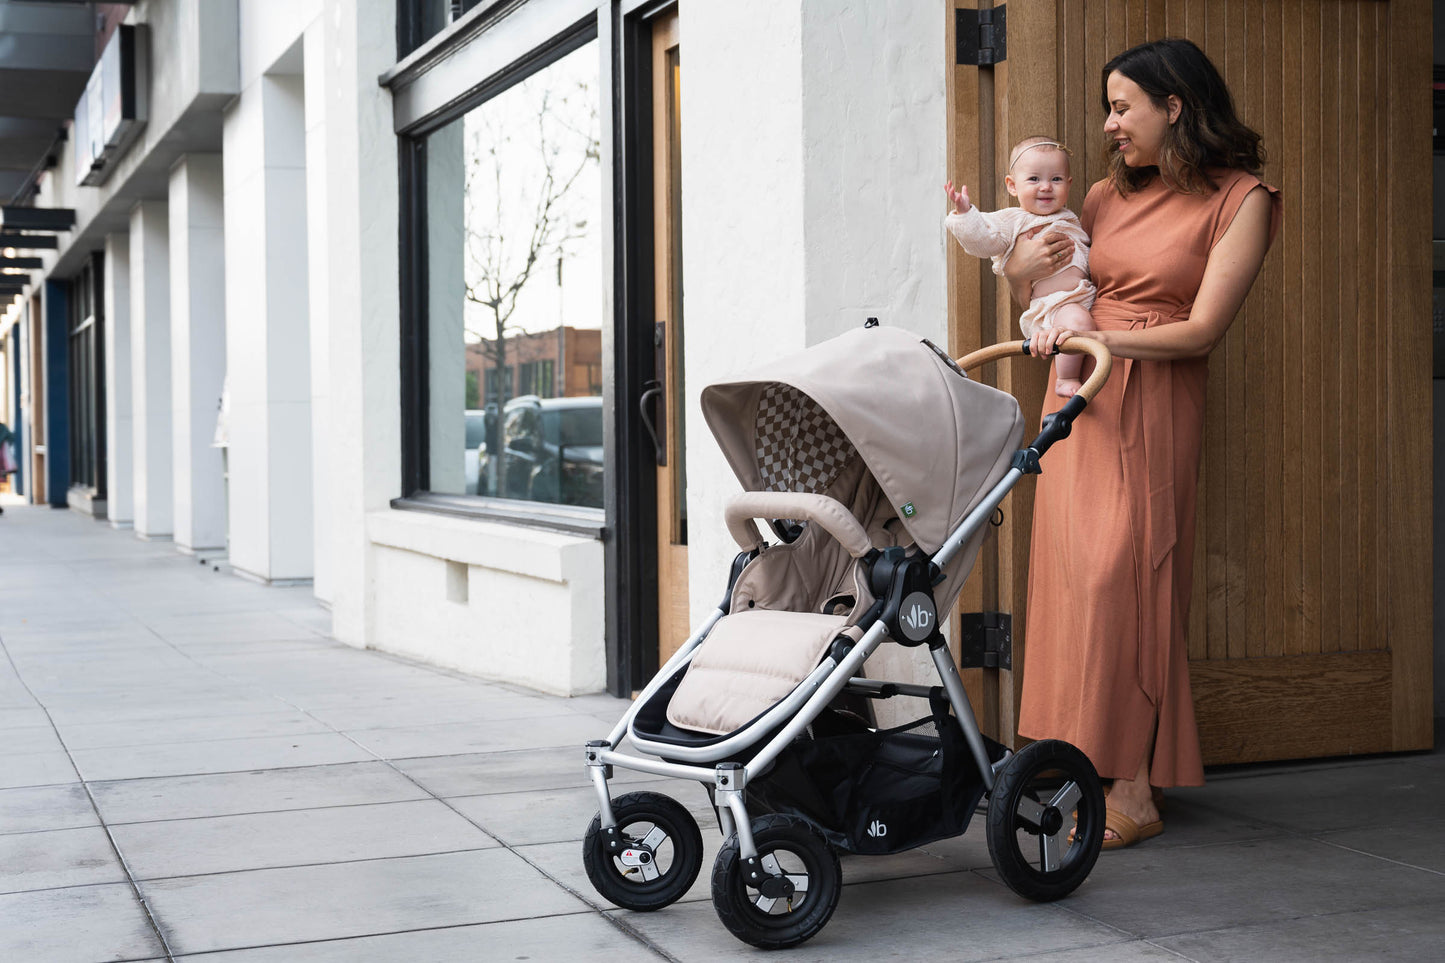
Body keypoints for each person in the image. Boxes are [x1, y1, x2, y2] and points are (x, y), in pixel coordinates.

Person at [1006, 38, 1282, 849]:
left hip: (1151, 391)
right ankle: (1075, 759)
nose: (1107, 124)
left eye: (1121, 107)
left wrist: (1102, 344)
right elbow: (1045, 277)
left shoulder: (1242, 198)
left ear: (1175, 106)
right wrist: (1021, 268)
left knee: (1133, 576)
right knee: (1075, 578)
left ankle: (1134, 782)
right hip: (1077, 394)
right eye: (1108, 108)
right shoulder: (1099, 194)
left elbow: (1201, 330)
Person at [944, 137, 1098, 396]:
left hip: (1083, 297)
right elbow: (983, 241)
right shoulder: (1013, 220)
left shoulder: (1070, 218)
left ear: (1069, 184)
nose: (1046, 187)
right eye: (1034, 179)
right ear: (1012, 186)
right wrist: (965, 213)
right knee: (1077, 322)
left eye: (1056, 179)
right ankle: (1066, 378)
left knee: (1082, 323)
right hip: (1054, 306)